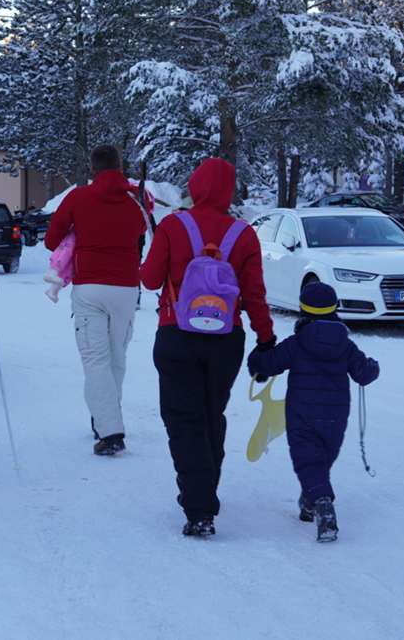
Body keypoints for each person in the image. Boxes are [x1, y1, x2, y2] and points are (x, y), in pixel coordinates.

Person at [140, 157, 275, 537]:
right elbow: (255, 294)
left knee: (185, 420)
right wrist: (266, 338)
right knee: (211, 415)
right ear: (228, 191)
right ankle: (205, 487)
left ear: (195, 186)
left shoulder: (173, 224)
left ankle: (199, 507)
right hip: (226, 338)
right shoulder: (244, 233)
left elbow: (149, 280)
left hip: (176, 334)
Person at [247, 282, 379, 542]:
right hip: (335, 418)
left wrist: (255, 359)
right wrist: (373, 366)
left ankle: (323, 505)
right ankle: (309, 501)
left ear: (303, 310)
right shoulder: (346, 345)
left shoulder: (297, 343)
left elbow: (267, 364)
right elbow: (364, 374)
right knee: (322, 460)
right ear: (334, 308)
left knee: (309, 461)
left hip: (301, 415)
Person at [44, 144, 147, 456]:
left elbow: (51, 240)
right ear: (120, 167)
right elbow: (141, 230)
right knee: (116, 357)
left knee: (95, 359)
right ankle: (105, 417)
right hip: (126, 287)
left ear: (92, 170)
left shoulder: (78, 197)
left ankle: (110, 430)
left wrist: (79, 228)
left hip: (90, 288)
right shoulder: (136, 200)